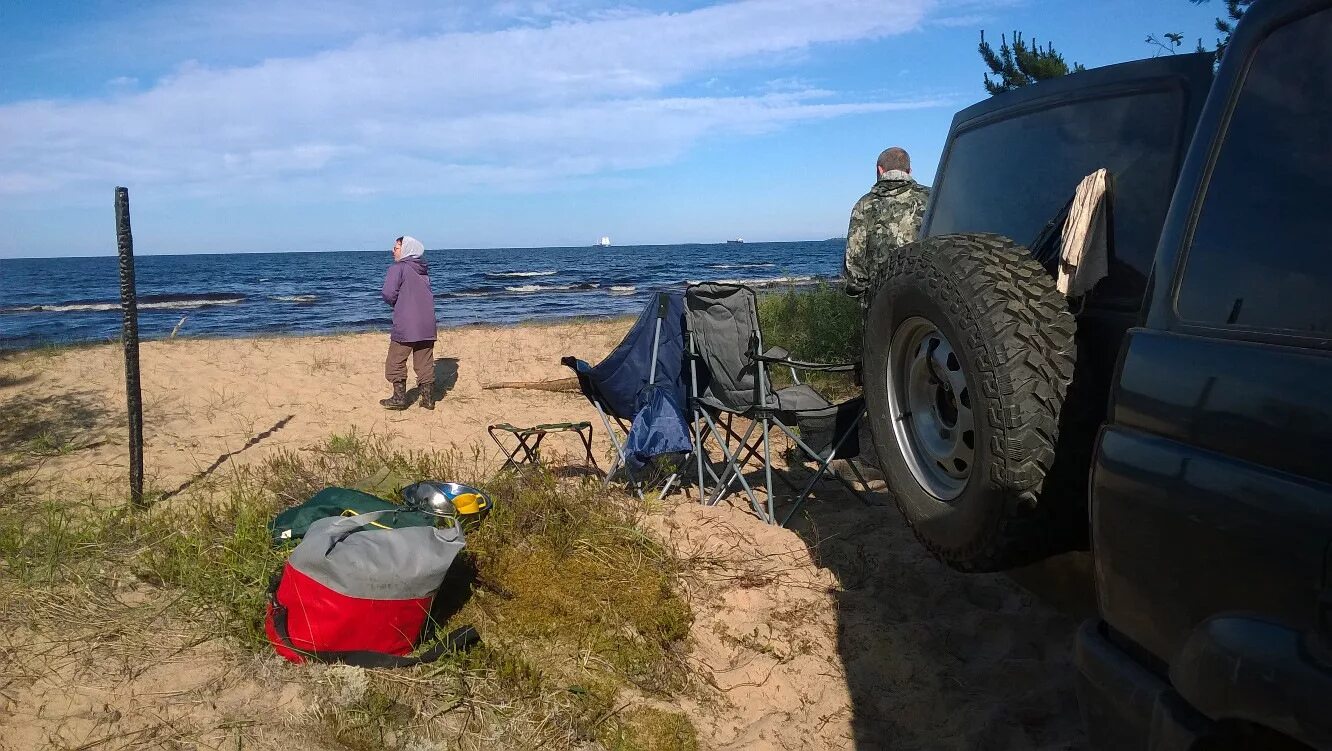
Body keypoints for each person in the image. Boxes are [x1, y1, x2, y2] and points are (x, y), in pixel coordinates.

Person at [842, 146, 931, 301]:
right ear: (909, 171)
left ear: (880, 170)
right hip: (928, 295)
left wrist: (866, 299)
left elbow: (854, 262)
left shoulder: (865, 205)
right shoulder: (931, 197)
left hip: (882, 300)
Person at [380, 236, 438, 410]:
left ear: (406, 249)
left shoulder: (398, 268)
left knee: (395, 361)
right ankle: (427, 399)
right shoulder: (422, 269)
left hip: (407, 323)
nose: (393, 250)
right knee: (424, 361)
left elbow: (388, 293)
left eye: (397, 247)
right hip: (427, 323)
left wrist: (397, 303)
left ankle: (399, 398)